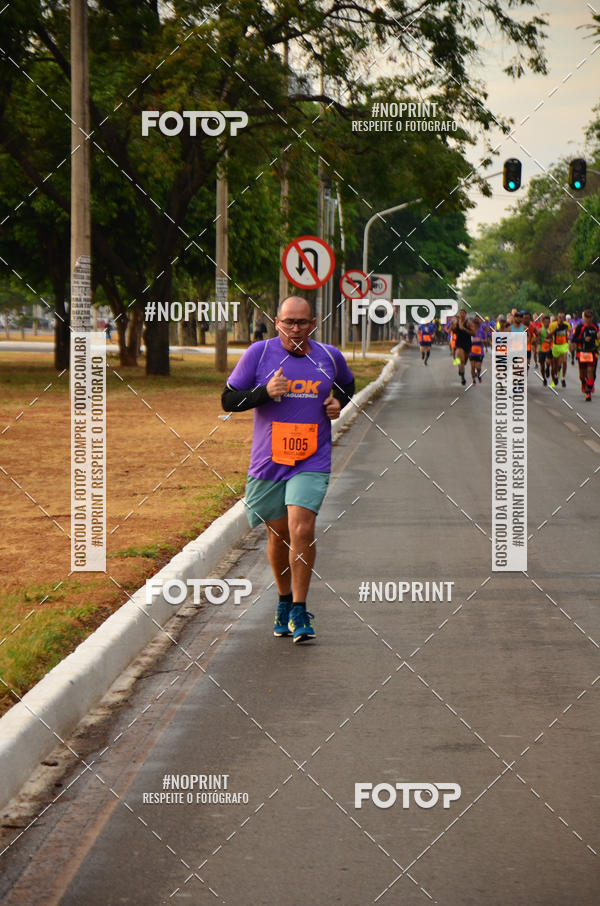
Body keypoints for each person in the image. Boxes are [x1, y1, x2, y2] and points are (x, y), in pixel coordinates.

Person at [221, 296, 355, 643]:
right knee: (278, 535)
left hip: (312, 459)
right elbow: (228, 400)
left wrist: (339, 401)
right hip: (268, 462)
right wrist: (263, 392)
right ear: (276, 322)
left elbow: (347, 385)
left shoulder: (329, 356)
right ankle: (282, 600)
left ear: (314, 324)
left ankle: (299, 608)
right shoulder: (259, 354)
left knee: (302, 527)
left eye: (303, 322)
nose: (295, 329)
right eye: (288, 322)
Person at [572, 310, 599, 401]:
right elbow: (574, 339)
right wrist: (583, 339)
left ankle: (588, 393)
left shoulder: (595, 327)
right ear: (584, 318)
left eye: (589, 317)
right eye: (586, 317)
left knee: (590, 371)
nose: (588, 319)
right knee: (582, 375)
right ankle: (584, 383)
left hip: (592, 352)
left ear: (592, 318)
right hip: (582, 353)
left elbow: (596, 339)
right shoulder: (580, 327)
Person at [450, 309, 477, 385]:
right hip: (459, 344)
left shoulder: (468, 323)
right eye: (460, 313)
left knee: (464, 362)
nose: (461, 315)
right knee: (461, 360)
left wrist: (464, 329)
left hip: (467, 344)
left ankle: (460, 369)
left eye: (463, 313)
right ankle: (463, 377)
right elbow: (451, 331)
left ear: (465, 314)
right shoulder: (456, 323)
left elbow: (474, 333)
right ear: (459, 314)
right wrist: (452, 327)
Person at [549, 311, 570, 388]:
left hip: (564, 345)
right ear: (557, 317)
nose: (561, 318)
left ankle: (563, 379)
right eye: (559, 317)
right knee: (556, 365)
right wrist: (555, 330)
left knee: (564, 362)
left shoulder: (567, 325)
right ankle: (556, 376)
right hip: (556, 346)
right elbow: (549, 335)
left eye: (562, 317)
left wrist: (568, 335)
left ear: (564, 318)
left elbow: (568, 333)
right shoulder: (553, 325)